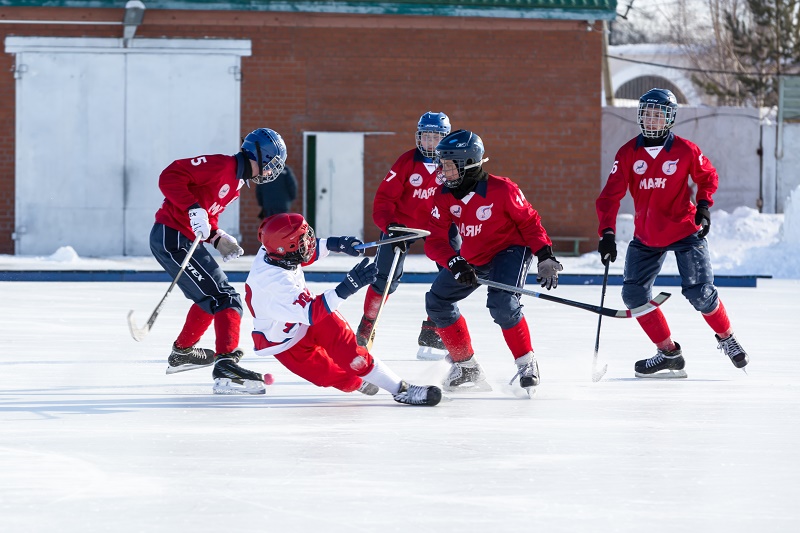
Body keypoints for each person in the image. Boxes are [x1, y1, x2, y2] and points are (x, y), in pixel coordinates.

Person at [596, 88, 749, 378]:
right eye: (647, 113)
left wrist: (703, 206)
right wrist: (607, 233)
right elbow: (609, 198)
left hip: (685, 231)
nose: (652, 119)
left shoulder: (686, 150)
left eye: (658, 114)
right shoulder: (628, 153)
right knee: (633, 295)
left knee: (701, 294)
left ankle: (727, 337)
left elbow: (708, 177)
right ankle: (669, 354)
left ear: (670, 118)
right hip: (646, 236)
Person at [244, 213, 442, 406]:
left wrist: (336, 243)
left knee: (353, 355)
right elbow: (312, 312)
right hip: (285, 341)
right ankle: (357, 381)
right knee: (327, 376)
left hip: (310, 316)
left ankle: (401, 389)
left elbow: (304, 254)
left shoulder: (274, 252)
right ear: (287, 247)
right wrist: (347, 287)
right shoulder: (272, 284)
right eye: (302, 240)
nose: (309, 242)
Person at [423, 129, 563, 395]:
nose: (444, 171)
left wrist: (545, 254)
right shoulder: (443, 195)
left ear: (469, 164)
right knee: (437, 300)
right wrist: (454, 262)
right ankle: (466, 366)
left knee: (502, 304)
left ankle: (526, 363)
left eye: (450, 165)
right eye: (442, 164)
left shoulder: (503, 189)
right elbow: (435, 240)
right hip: (474, 256)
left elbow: (530, 222)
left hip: (510, 249)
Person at [150, 127, 287, 394]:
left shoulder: (235, 184)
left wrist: (217, 237)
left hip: (184, 238)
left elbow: (206, 219)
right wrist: (192, 209)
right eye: (270, 165)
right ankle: (226, 365)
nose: (270, 172)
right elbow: (170, 176)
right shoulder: (221, 165)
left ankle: (182, 354)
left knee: (213, 299)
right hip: (172, 236)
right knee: (226, 298)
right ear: (258, 154)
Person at [356, 111, 461, 360]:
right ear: (419, 137)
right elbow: (384, 199)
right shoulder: (406, 162)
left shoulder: (454, 164)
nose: (430, 143)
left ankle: (432, 330)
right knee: (384, 278)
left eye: (436, 137)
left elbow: (463, 200)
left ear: (445, 139)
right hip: (402, 225)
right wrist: (388, 224)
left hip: (439, 226)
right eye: (426, 137)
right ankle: (367, 327)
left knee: (454, 273)